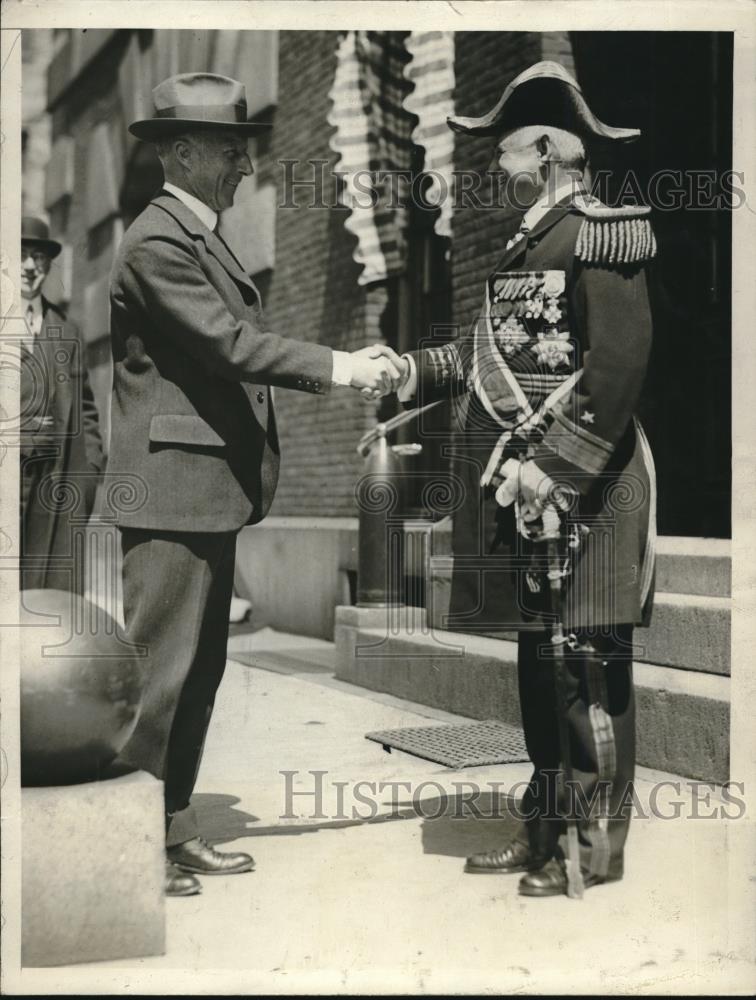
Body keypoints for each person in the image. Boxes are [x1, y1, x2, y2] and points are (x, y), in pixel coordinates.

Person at [108, 72, 406, 898]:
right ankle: (128, 847)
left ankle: (167, 828)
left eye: (243, 146)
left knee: (196, 675)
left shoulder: (194, 234)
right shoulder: (158, 242)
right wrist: (343, 365)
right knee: (161, 673)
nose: (244, 163)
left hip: (201, 489)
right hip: (171, 489)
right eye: (230, 148)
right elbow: (230, 345)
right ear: (180, 152)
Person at [390, 61, 657, 898]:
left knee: (588, 672)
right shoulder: (529, 240)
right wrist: (402, 370)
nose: (494, 166)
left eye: (505, 149)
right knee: (542, 668)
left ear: (545, 150)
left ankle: (590, 852)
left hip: (590, 489)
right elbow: (490, 358)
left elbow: (617, 369)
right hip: (531, 495)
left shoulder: (600, 233)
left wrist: (551, 469)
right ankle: (542, 832)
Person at [19, 216, 104, 594]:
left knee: (45, 593)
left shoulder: (65, 330)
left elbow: (86, 410)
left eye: (38, 257)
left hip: (52, 482)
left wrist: (91, 473)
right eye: (19, 254)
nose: (29, 266)